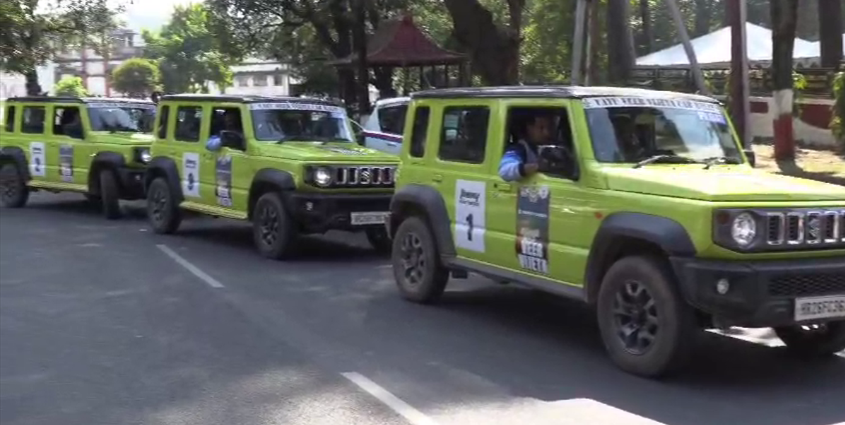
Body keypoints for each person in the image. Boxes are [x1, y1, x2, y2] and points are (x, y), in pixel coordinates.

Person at [498, 113, 553, 182]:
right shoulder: (519, 148)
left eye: (549, 128)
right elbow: (505, 171)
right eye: (541, 128)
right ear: (529, 128)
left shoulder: (546, 147)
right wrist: (537, 167)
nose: (546, 133)